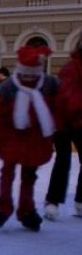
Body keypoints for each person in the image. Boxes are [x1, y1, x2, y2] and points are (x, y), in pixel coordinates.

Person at [0, 45, 59, 231]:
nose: (28, 78)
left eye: (32, 75)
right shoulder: (8, 88)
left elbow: (59, 107)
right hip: (12, 137)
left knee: (29, 175)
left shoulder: (49, 85)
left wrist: (57, 127)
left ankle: (26, 210)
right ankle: (3, 207)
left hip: (34, 139)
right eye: (25, 74)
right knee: (7, 173)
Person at [43, 38, 82, 221]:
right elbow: (68, 97)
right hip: (63, 121)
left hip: (77, 120)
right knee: (63, 160)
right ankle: (52, 202)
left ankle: (80, 201)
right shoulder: (72, 67)